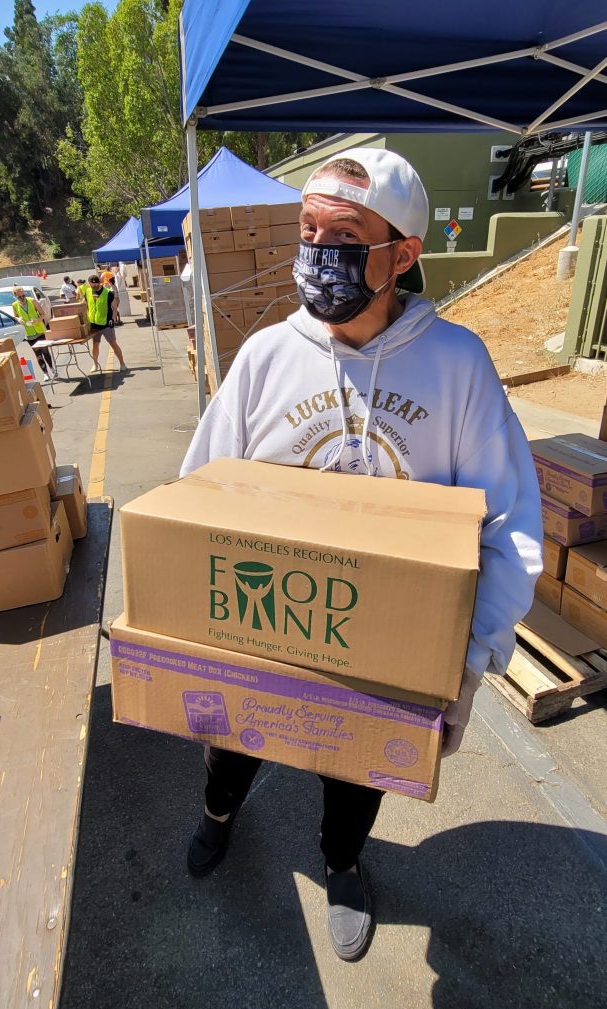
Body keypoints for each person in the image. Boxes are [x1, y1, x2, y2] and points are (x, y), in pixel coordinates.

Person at [179, 148, 543, 962]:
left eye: (342, 234)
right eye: (307, 230)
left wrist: (467, 664)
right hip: (265, 622)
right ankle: (216, 818)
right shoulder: (268, 356)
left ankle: (341, 863)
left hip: (385, 652)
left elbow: (508, 527)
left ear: (402, 254)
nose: (316, 252)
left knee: (353, 776)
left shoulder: (456, 367)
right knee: (232, 745)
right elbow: (194, 495)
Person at [84, 274, 128, 373]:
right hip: (94, 325)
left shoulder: (108, 293)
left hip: (106, 324)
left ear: (99, 283)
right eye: (92, 284)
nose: (94, 286)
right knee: (95, 345)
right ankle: (95, 364)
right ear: (89, 283)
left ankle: (122, 364)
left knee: (113, 344)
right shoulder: (87, 291)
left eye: (96, 284)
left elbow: (115, 307)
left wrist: (113, 318)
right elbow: (85, 305)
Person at [12, 285, 56, 378]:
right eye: (19, 297)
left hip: (39, 330)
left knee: (45, 351)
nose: (22, 298)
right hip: (29, 333)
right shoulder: (15, 305)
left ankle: (52, 369)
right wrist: (18, 319)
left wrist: (37, 320)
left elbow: (42, 314)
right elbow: (15, 316)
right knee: (37, 354)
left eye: (23, 295)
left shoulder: (32, 301)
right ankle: (45, 373)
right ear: (16, 296)